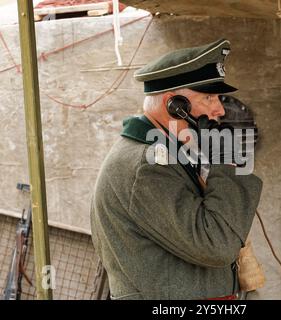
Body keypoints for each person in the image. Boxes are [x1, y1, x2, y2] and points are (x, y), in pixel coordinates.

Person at [90, 38, 263, 300]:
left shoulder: (172, 155)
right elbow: (216, 245)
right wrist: (226, 165)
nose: (219, 108)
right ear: (175, 105)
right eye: (208, 97)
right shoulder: (148, 167)